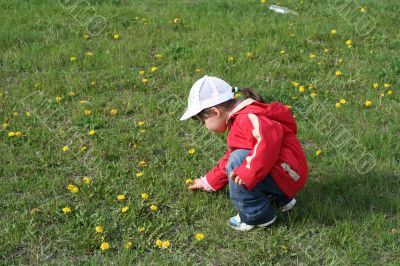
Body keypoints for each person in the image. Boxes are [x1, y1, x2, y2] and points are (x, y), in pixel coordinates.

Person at [180, 75, 308, 231]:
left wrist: (248, 171)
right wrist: (208, 181)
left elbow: (267, 144)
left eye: (203, 121)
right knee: (239, 158)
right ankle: (283, 198)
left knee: (238, 162)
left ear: (215, 112)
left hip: (288, 174)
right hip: (287, 172)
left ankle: (257, 215)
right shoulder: (243, 116)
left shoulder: (246, 118)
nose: (205, 126)